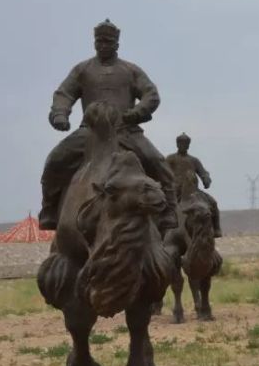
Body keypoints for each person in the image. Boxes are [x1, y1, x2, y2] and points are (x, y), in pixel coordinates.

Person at [39, 19, 177, 233]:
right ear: (95, 43)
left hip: (125, 131)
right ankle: (49, 209)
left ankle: (169, 211)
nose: (103, 45)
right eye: (100, 41)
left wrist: (137, 113)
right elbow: (64, 94)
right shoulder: (82, 69)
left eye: (108, 42)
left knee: (158, 163)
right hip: (90, 131)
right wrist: (60, 114)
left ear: (116, 44)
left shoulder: (130, 70)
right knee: (55, 159)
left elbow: (151, 94)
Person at [167, 133, 223, 237]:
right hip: (175, 190)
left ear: (188, 145)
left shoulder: (194, 160)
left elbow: (202, 172)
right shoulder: (171, 159)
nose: (183, 145)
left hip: (193, 190)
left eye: (186, 144)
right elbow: (163, 172)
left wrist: (206, 179)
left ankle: (216, 228)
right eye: (181, 143)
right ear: (177, 144)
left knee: (212, 202)